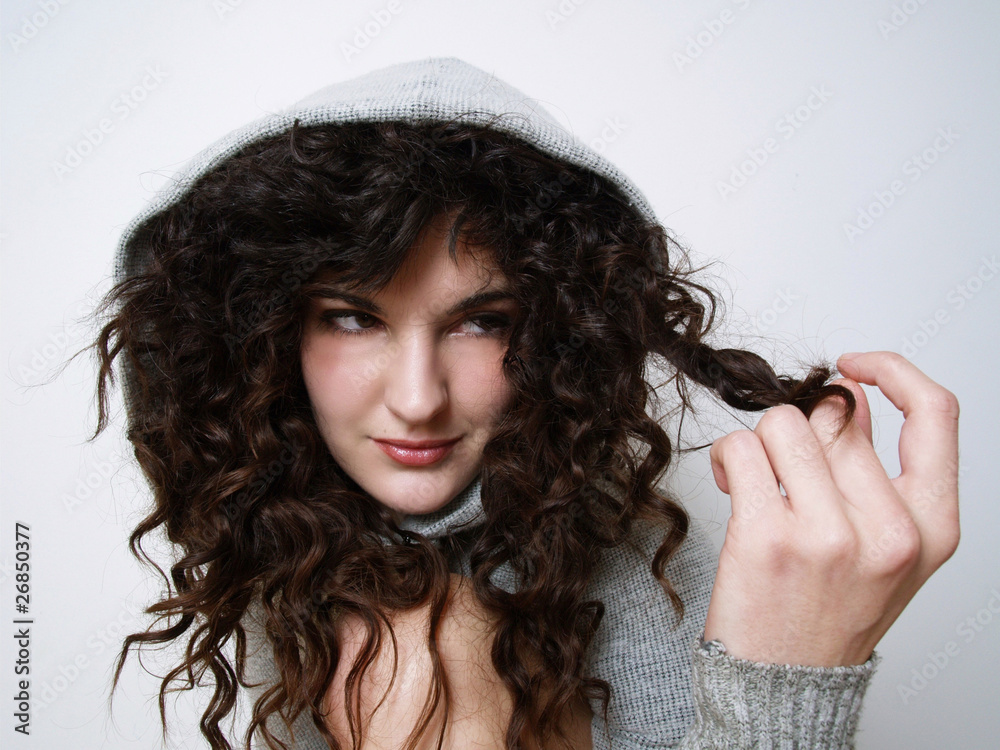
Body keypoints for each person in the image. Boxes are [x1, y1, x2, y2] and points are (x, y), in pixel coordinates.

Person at [90, 57, 960, 749]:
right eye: (353, 317)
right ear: (265, 329)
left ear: (559, 329)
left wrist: (785, 683)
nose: (419, 400)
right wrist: (785, 696)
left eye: (481, 322)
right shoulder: (284, 546)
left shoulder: (707, 565)